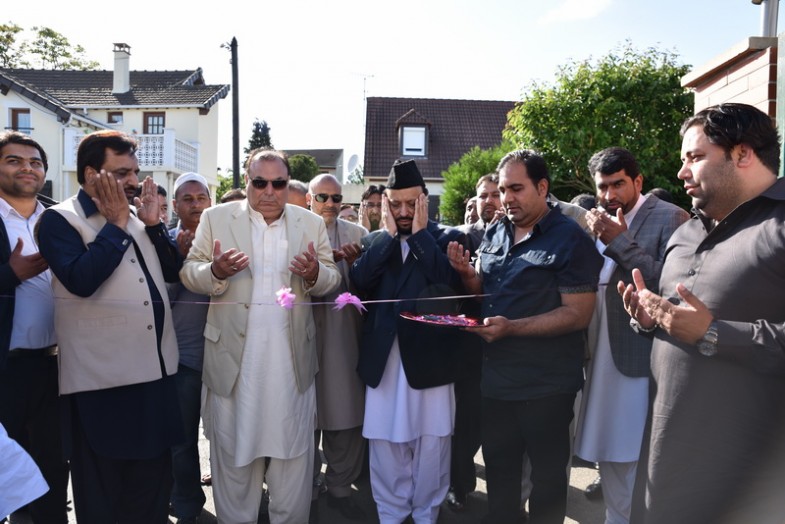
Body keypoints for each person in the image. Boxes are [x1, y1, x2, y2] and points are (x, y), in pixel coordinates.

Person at [619, 103, 785, 523]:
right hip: (664, 460)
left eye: (694, 157)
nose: (681, 172)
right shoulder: (685, 232)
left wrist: (714, 333)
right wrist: (649, 317)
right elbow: (680, 320)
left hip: (748, 479)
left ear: (742, 154)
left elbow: (706, 329)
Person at [180, 148, 341, 524]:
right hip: (235, 367)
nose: (269, 191)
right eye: (259, 182)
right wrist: (215, 271)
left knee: (293, 463)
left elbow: (332, 279)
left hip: (290, 369)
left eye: (279, 183)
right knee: (233, 461)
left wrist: (316, 274)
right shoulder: (216, 218)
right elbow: (190, 271)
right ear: (246, 180)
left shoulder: (309, 223)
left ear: (287, 184)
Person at [447, 149, 603, 524]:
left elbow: (578, 314)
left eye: (516, 188)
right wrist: (468, 277)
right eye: (503, 189)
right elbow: (486, 293)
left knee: (548, 484)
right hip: (496, 382)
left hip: (547, 386)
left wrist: (513, 327)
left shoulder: (570, 238)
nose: (507, 198)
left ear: (542, 187)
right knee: (500, 476)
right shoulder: (496, 231)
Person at [36, 129, 184, 523]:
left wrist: (153, 226)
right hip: (102, 385)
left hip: (156, 377)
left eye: (134, 172)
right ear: (89, 175)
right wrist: (116, 226)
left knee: (152, 490)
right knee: (104, 497)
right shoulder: (58, 220)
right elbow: (81, 281)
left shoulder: (137, 215)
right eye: (121, 173)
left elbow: (173, 272)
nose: (133, 182)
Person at [573, 147, 688, 524]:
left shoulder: (671, 218)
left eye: (618, 184)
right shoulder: (595, 223)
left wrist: (619, 241)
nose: (609, 195)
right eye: (603, 187)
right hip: (599, 355)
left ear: (637, 181)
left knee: (637, 453)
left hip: (641, 357)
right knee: (608, 450)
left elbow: (670, 287)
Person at [350, 159, 469, 524]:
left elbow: (448, 286)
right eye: (395, 204)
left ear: (425, 201)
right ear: (384, 202)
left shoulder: (449, 237)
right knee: (386, 443)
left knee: (432, 442)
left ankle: (426, 513)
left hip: (431, 361)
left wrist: (419, 237)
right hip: (384, 359)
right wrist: (386, 237)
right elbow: (360, 283)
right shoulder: (374, 240)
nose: (403, 212)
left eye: (410, 204)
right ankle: (391, 513)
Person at [0, 131, 68, 523]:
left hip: (55, 368)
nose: (27, 168)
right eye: (14, 160)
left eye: (35, 162)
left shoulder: (60, 219)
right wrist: (9, 274)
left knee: (52, 469)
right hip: (4, 370)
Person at [306, 174, 368, 520]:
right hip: (302, 337)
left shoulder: (358, 236)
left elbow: (372, 286)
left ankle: (341, 487)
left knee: (345, 415)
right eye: (323, 197)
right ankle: (309, 486)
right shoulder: (294, 232)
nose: (330, 204)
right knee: (304, 419)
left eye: (336, 198)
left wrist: (358, 263)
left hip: (345, 338)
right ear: (309, 200)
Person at [167, 172, 212, 523]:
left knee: (228, 437)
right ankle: (187, 504)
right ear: (175, 205)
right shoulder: (163, 243)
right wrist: (178, 261)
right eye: (188, 199)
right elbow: (157, 301)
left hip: (228, 357)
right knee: (181, 441)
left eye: (201, 198)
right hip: (183, 360)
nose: (196, 205)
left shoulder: (227, 239)